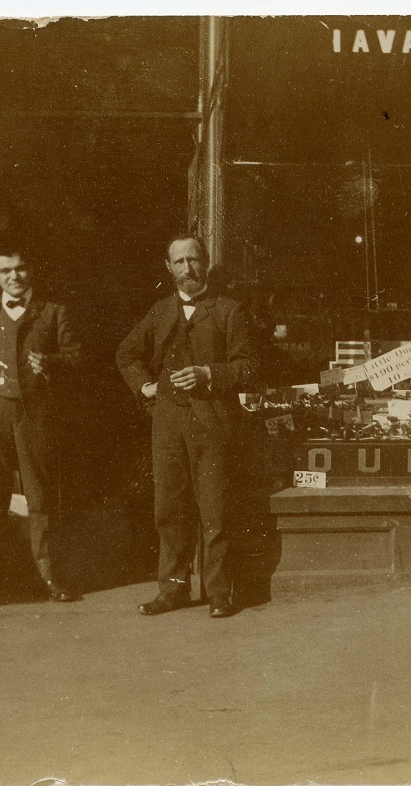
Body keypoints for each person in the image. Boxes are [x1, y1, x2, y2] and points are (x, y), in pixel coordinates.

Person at [116, 234, 257, 618]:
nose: (187, 269)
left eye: (193, 260)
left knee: (215, 510)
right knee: (170, 510)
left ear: (206, 262)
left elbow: (248, 367)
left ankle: (219, 592)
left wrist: (209, 373)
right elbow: (127, 353)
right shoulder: (160, 312)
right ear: (169, 267)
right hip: (167, 426)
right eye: (179, 262)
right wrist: (145, 387)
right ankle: (173, 590)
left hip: (213, 424)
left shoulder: (229, 310)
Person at [0, 244, 82, 602]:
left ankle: (49, 577)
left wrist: (51, 364)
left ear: (31, 270)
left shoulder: (53, 313)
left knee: (39, 498)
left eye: (20, 269)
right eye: (6, 271)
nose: (14, 276)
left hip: (33, 415)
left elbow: (78, 359)